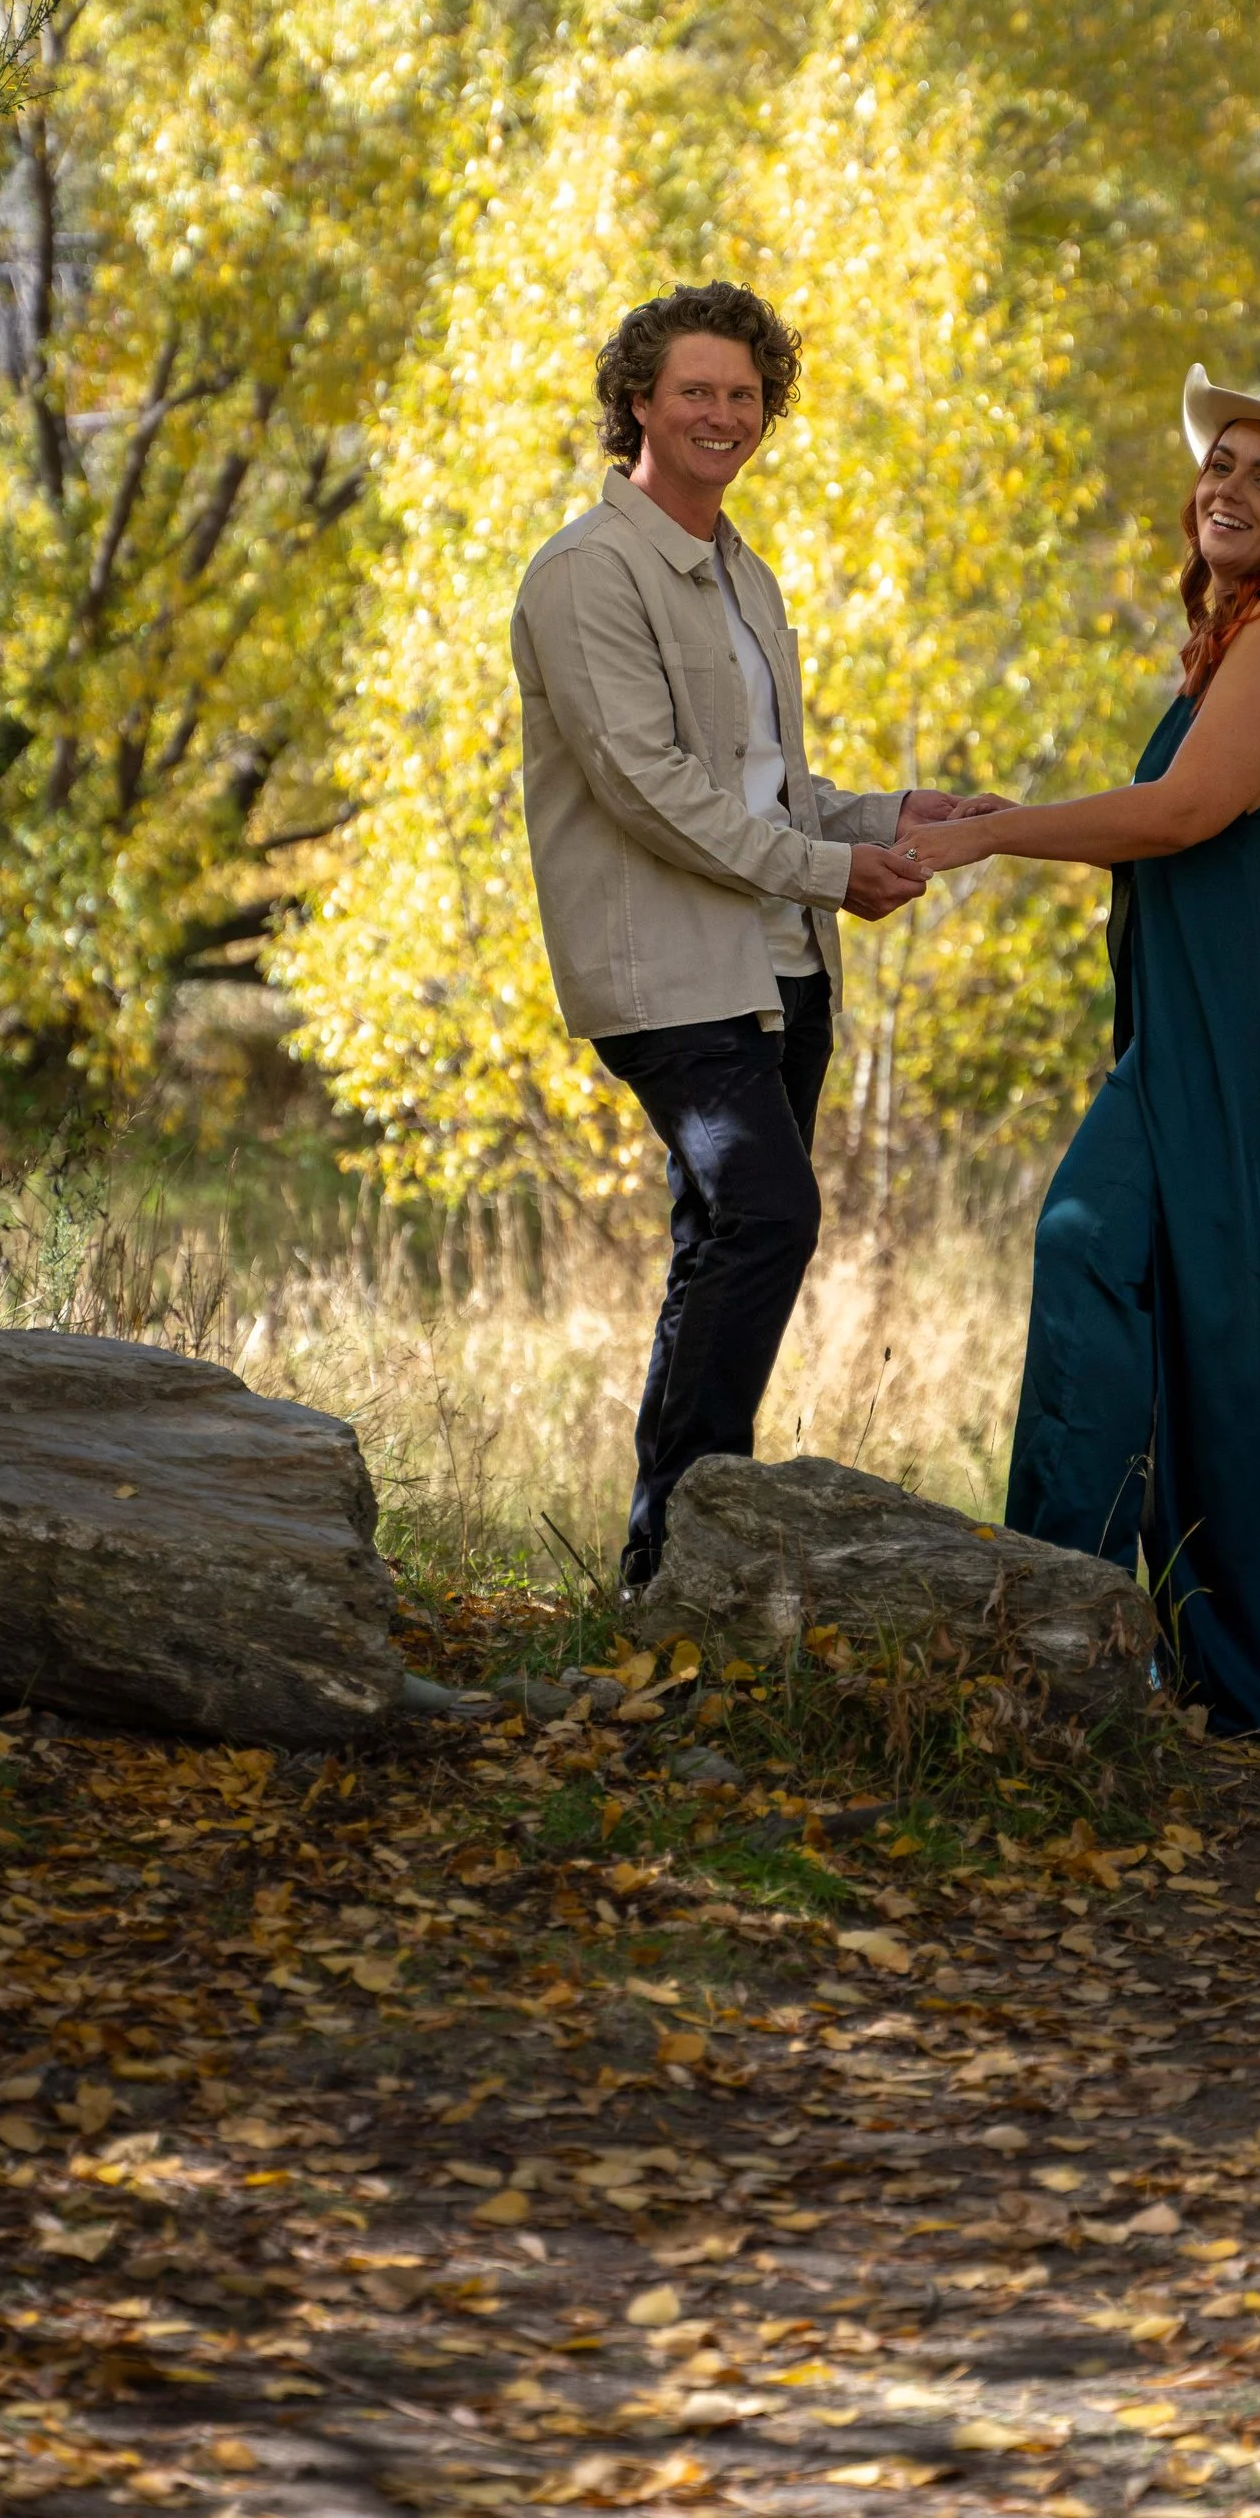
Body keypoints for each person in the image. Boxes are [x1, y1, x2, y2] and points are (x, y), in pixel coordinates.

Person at [909, 363, 1260, 1746]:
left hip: (1257, 1018)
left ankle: (1146, 1638)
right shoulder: (1239, 633)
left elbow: (1187, 810)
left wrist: (994, 830)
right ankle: (1068, 1619)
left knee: (1194, 1286)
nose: (1232, 488)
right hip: (1203, 1012)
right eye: (1223, 466)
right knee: (1116, 1254)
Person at [511, 283, 973, 1593]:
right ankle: (690, 1536)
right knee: (768, 1213)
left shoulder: (743, 573)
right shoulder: (586, 574)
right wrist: (836, 869)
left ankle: (663, 1562)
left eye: (744, 392)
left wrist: (891, 813)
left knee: (721, 1237)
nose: (723, 412)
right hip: (668, 971)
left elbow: (762, 786)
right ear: (639, 401)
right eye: (695, 389)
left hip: (782, 969)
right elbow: (651, 790)